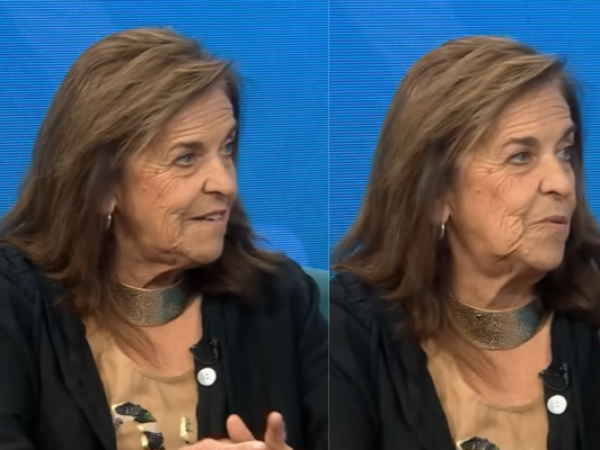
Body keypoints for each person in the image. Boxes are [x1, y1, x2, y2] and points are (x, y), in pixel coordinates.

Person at [0, 28, 328, 450]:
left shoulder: (280, 300)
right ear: (101, 185)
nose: (226, 183)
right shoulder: (14, 302)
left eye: (227, 148)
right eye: (186, 158)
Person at [330, 36, 600, 450]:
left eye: (564, 152)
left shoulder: (590, 321)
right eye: (521, 157)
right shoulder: (350, 331)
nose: (562, 183)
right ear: (437, 193)